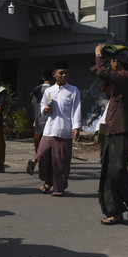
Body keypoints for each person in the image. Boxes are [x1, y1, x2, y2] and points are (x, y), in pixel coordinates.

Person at [93, 44, 128, 225]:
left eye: (111, 60)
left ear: (117, 62)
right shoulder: (118, 80)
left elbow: (101, 72)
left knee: (116, 172)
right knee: (107, 173)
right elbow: (101, 75)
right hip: (110, 129)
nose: (109, 64)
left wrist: (98, 55)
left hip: (123, 130)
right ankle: (114, 211)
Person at [27, 60, 81, 196]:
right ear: (54, 74)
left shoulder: (73, 90)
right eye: (61, 73)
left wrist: (76, 127)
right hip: (49, 129)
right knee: (43, 155)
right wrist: (45, 109)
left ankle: (59, 187)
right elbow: (42, 107)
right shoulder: (49, 91)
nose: (64, 75)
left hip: (64, 130)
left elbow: (76, 110)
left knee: (60, 161)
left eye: (66, 73)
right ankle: (48, 181)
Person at [26, 71, 53, 175]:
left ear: (43, 78)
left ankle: (35, 161)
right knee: (48, 146)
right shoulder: (52, 90)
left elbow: (32, 104)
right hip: (49, 122)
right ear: (53, 78)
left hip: (37, 121)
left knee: (40, 144)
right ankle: (38, 163)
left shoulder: (36, 90)